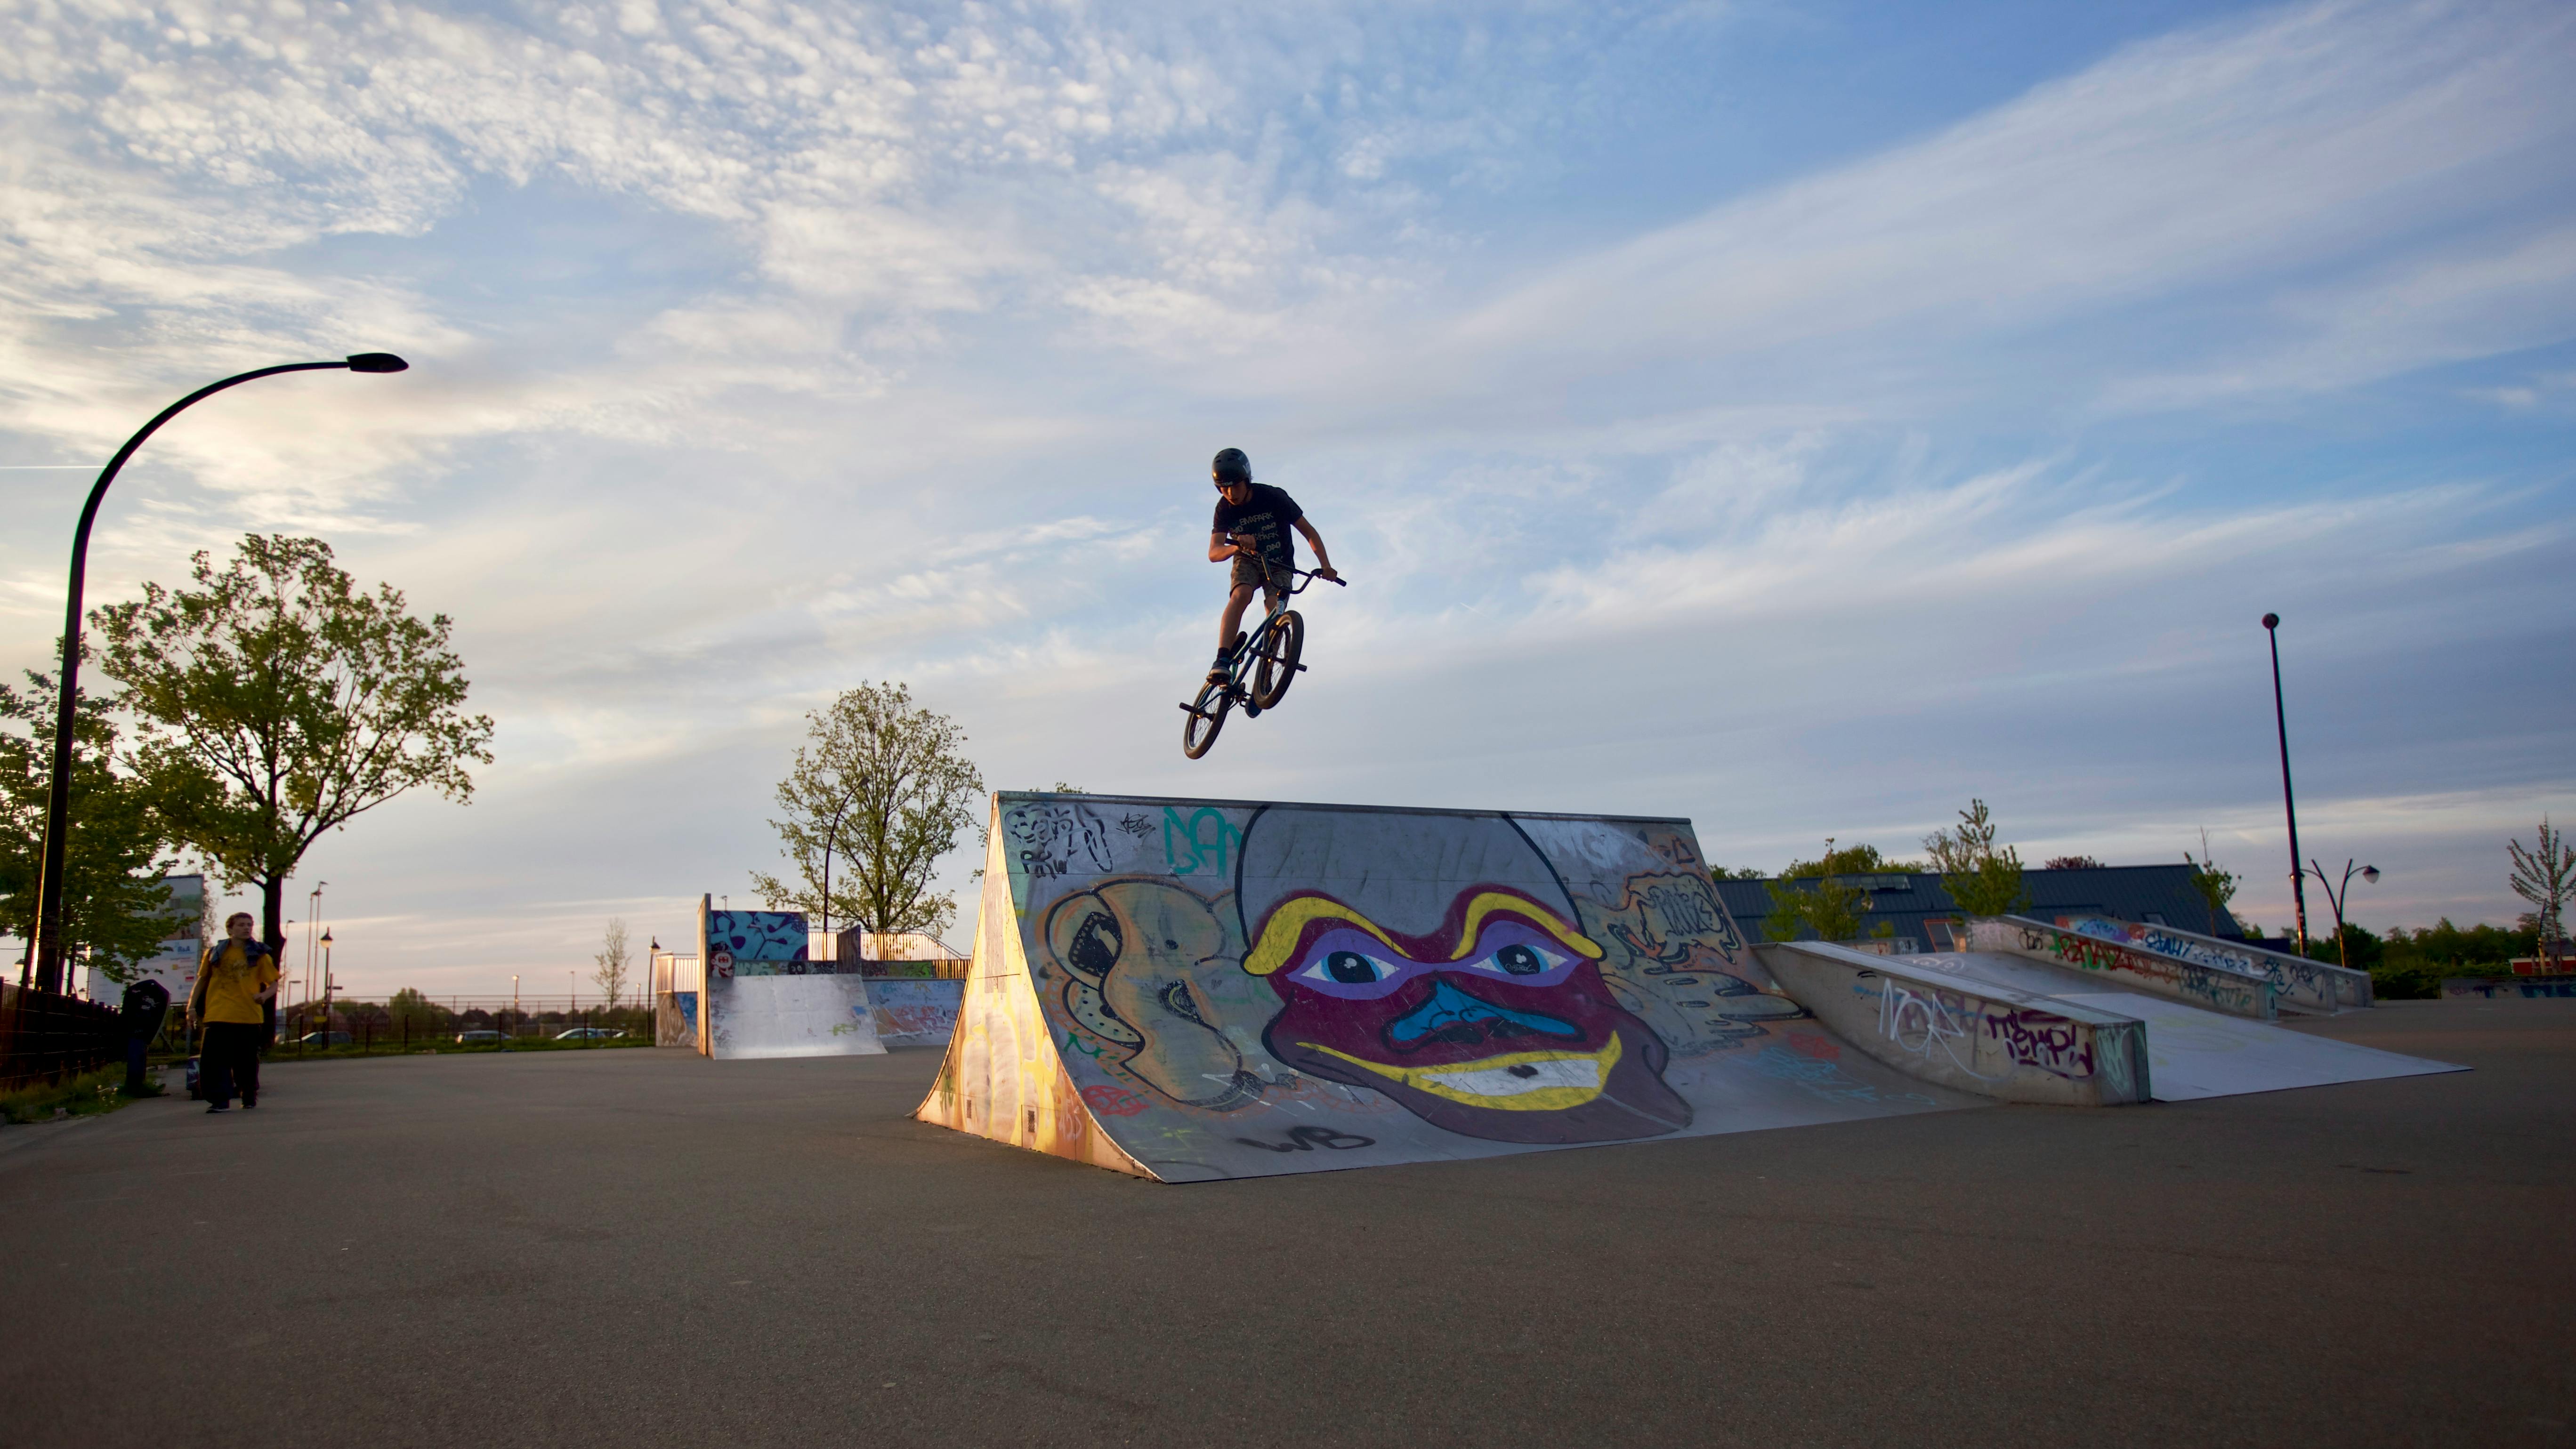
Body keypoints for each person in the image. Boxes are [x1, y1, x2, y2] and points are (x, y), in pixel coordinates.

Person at [1206, 447, 1337, 683]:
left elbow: (1309, 532)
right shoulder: (1224, 508)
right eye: (1223, 488)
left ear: (1247, 480)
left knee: (1274, 607)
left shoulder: (1274, 497)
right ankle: (1223, 658)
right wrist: (1236, 547)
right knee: (1241, 594)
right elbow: (1214, 552)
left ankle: (1268, 665)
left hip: (1280, 564)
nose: (1229, 493)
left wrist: (1325, 565)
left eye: (1234, 485)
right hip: (1247, 560)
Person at [187, 913, 276, 1113]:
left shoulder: (260, 954)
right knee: (214, 1061)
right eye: (242, 925)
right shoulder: (214, 953)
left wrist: (265, 995)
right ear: (230, 929)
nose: (247, 928)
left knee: (245, 1061)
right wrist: (191, 1007)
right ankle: (219, 1100)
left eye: (250, 925)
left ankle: (249, 1094)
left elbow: (274, 984)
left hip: (248, 1016)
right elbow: (202, 981)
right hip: (218, 1013)